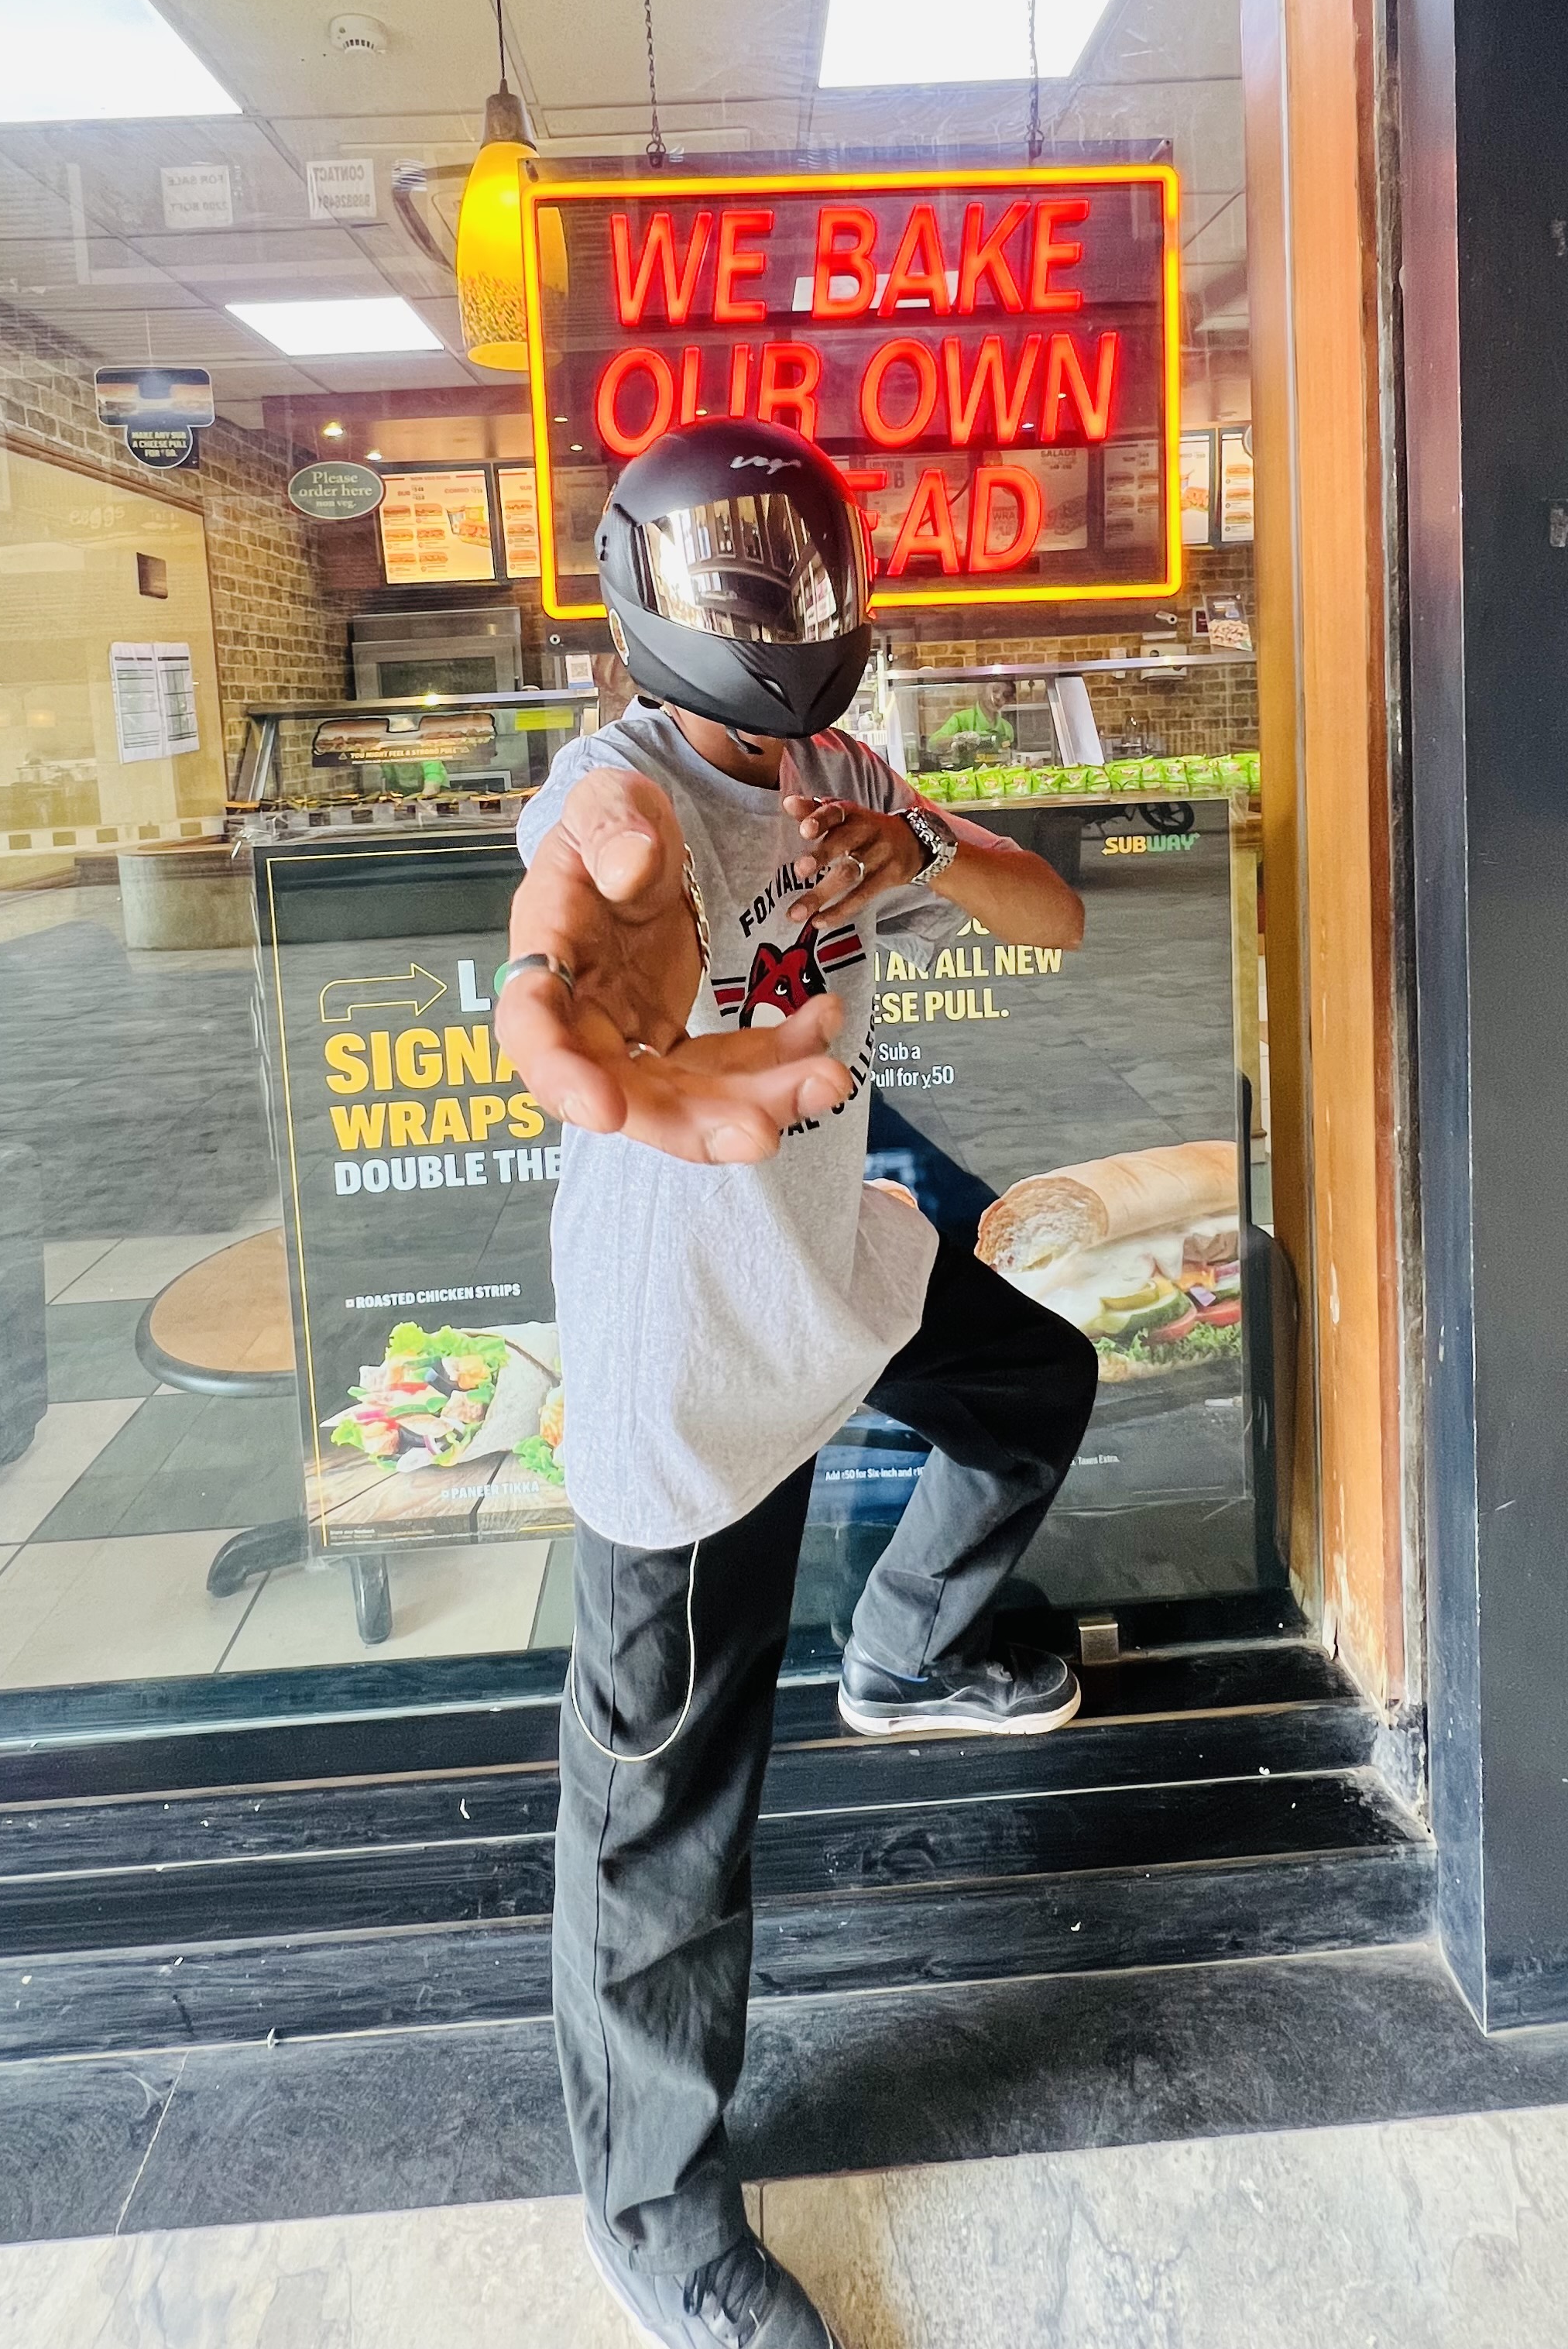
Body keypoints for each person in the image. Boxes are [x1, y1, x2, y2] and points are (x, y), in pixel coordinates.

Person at [495, 418, 1099, 2349]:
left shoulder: (840, 775)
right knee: (668, 1819)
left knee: (1034, 1386)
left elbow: (1055, 913)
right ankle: (652, 2211)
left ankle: (908, 1652)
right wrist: (578, 979)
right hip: (686, 1343)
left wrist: (922, 846)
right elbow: (580, 901)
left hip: (834, 1259)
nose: (771, 697)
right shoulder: (620, 788)